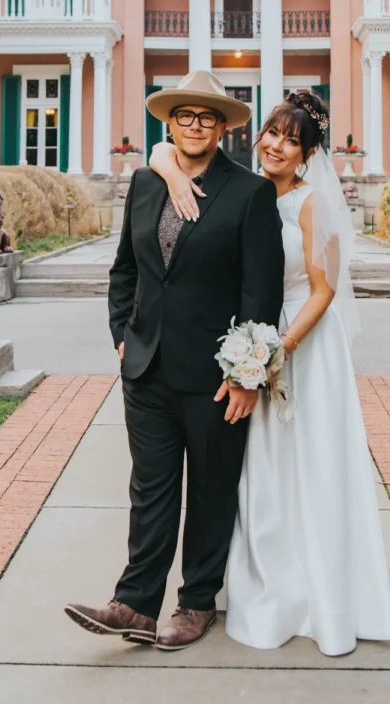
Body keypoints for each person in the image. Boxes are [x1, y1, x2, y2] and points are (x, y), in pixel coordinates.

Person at [151, 89, 390, 656]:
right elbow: (170, 159)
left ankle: (323, 596)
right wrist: (249, 353)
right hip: (249, 342)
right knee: (259, 469)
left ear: (308, 153)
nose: (277, 145)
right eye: (271, 133)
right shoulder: (242, 188)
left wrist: (271, 353)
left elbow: (325, 289)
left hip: (302, 348)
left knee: (310, 465)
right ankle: (267, 587)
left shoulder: (311, 203)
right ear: (256, 135)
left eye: (292, 139)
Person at [66, 70, 285, 651]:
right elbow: (125, 271)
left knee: (212, 490)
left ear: (221, 128)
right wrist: (122, 333)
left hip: (216, 377)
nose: (194, 125)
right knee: (151, 489)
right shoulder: (144, 183)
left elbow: (261, 295)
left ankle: (196, 602)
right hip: (145, 369)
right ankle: (134, 605)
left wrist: (247, 375)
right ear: (170, 124)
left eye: (206, 117)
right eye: (184, 116)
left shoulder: (249, 193)